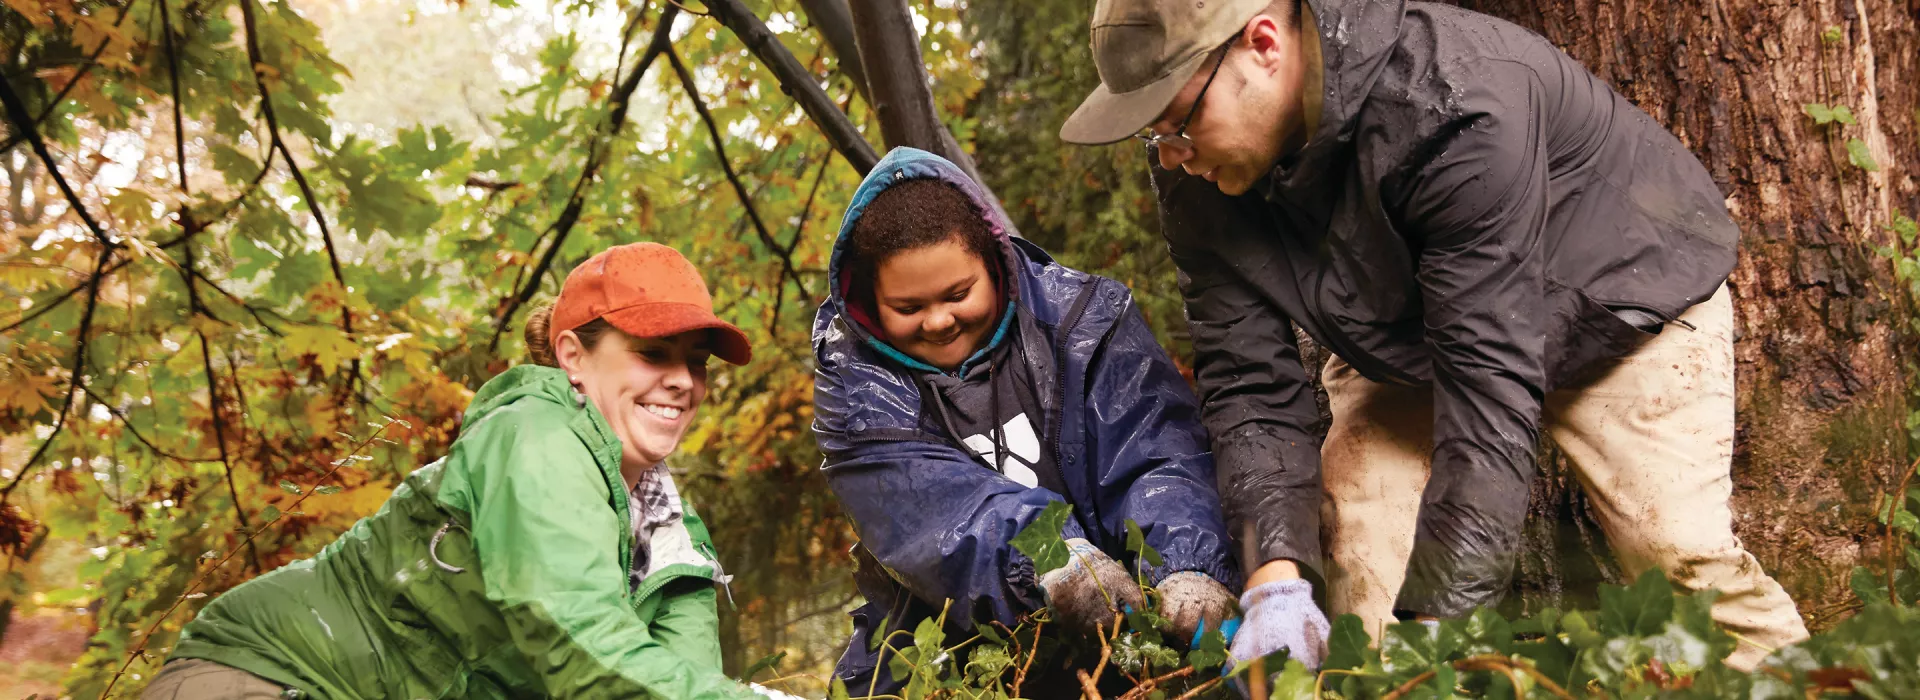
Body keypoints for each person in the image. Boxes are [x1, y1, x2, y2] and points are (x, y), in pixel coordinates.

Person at [1058, 0, 1810, 672]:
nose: (1171, 155)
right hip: (1412, 329)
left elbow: (1488, 406)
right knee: (1361, 543)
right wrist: (1273, 582)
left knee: (1676, 551)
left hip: (1619, 302)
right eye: (1154, 133)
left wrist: (1432, 646)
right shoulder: (1195, 165)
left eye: (1179, 122)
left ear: (1262, 45)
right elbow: (1247, 379)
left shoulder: (1457, 102)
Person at [144, 243, 767, 698]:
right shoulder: (533, 436)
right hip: (271, 674)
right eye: (653, 354)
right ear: (573, 356)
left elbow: (684, 682)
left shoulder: (671, 533)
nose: (682, 381)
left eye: (697, 362)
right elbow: (580, 642)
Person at [814, 147, 1240, 693]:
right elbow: (936, 509)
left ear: (994, 264)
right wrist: (1050, 555)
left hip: (1133, 627)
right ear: (871, 300)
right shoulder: (855, 388)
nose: (939, 321)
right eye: (908, 308)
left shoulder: (1086, 318)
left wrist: (1188, 559)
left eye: (958, 294)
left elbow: (1156, 450)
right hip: (950, 650)